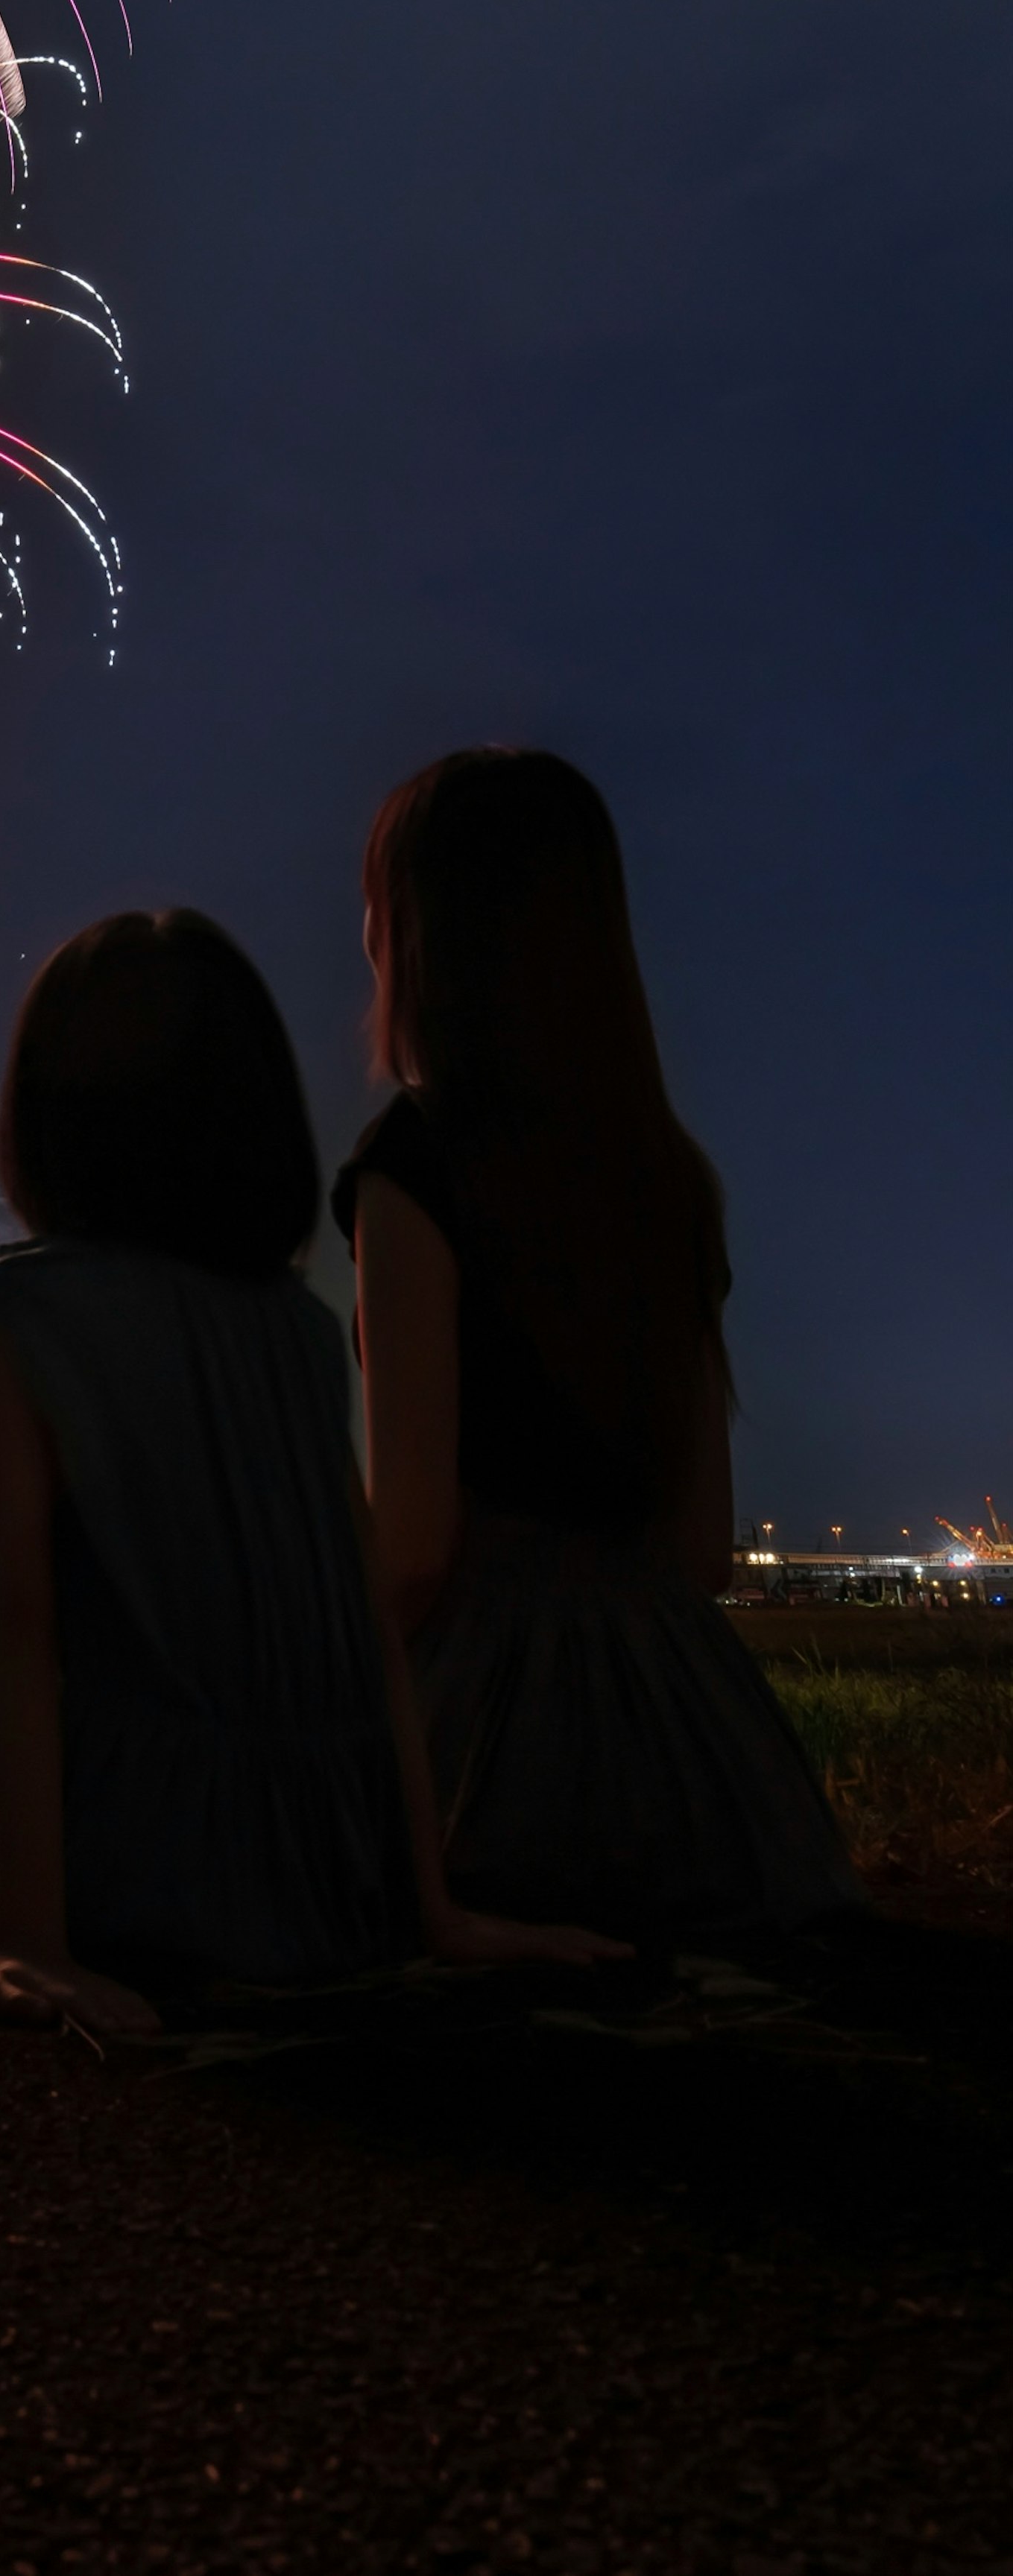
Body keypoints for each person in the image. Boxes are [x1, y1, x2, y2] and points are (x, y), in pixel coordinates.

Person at [0, 908, 613, 2033]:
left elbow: (17, 1634)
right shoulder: (298, 1331)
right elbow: (366, 1629)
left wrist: (29, 1945)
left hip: (145, 1862)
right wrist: (432, 1907)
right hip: (330, 1874)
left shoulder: (12, 1314)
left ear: (45, 1113)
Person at [340, 747, 854, 1939]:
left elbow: (413, 1548)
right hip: (687, 1751)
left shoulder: (412, 1168)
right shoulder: (671, 1180)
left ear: (424, 935)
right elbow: (703, 1550)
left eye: (379, 901)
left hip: (484, 1736)